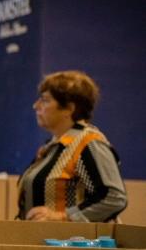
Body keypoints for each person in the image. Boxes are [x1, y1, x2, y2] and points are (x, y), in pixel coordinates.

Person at [17, 70, 127, 222]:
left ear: (69, 108)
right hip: (48, 241)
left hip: (76, 243)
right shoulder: (52, 147)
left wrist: (64, 216)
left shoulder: (89, 143)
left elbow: (113, 198)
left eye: (46, 100)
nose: (36, 105)